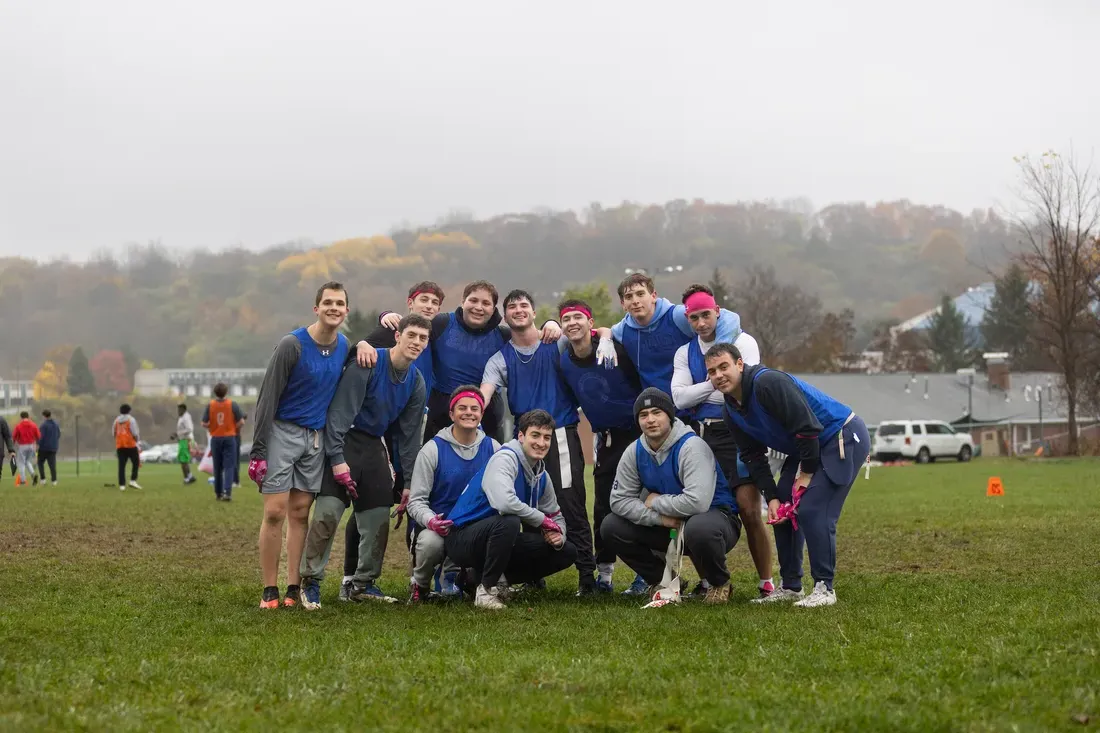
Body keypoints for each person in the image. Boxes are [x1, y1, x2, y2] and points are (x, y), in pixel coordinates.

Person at [705, 343, 871, 608]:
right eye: (712, 371)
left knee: (812, 509)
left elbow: (807, 428)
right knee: (782, 508)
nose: (719, 375)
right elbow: (752, 456)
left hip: (840, 435)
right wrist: (770, 497)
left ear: (739, 364)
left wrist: (805, 474)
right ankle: (791, 586)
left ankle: (824, 588)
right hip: (806, 446)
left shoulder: (768, 383)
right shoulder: (729, 409)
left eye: (724, 367)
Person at [298, 314, 429, 609]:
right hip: (344, 440)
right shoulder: (368, 362)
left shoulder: (416, 382)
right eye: (412, 335)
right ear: (398, 336)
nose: (416, 343)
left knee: (378, 518)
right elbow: (339, 415)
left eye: (423, 338)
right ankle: (311, 582)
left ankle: (362, 584)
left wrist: (409, 482)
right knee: (328, 514)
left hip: (373, 446)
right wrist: (336, 459)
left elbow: (409, 437)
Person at [480, 290, 596, 595]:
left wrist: (557, 325)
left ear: (533, 312)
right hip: (523, 442)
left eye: (524, 305)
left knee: (570, 502)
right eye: (512, 307)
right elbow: (485, 392)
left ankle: (588, 576)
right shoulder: (500, 358)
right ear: (505, 317)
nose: (518, 310)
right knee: (528, 506)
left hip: (558, 434)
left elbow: (589, 337)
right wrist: (471, 411)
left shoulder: (555, 343)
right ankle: (534, 577)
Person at [250, 281, 357, 610]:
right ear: (316, 308)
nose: (334, 308)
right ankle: (270, 588)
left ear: (346, 310)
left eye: (340, 303)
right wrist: (258, 451)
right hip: (283, 432)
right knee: (274, 512)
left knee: (300, 514)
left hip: (316, 438)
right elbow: (267, 396)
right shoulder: (292, 345)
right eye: (328, 302)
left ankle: (293, 586)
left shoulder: (344, 346)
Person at [341, 281, 444, 600]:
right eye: (422, 300)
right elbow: (355, 351)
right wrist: (361, 341)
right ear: (409, 303)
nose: (429, 306)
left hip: (420, 421)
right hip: (383, 431)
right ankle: (351, 576)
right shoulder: (390, 329)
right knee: (373, 503)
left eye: (435, 302)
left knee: (417, 494)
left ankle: (422, 574)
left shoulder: (437, 331)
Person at [670, 284, 774, 599]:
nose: (701, 323)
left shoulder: (743, 341)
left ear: (717, 311)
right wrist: (714, 382)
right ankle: (708, 581)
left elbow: (743, 385)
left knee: (748, 507)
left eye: (706, 315)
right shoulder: (685, 351)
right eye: (694, 318)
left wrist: (699, 389)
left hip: (739, 431)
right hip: (701, 435)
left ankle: (766, 581)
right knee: (699, 506)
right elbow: (679, 397)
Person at [376, 280, 561, 446]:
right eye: (473, 300)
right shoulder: (442, 323)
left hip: (487, 414)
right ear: (463, 302)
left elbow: (529, 336)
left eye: (486, 303)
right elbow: (411, 329)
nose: (478, 307)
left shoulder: (502, 335)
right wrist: (386, 316)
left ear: (494, 310)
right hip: (440, 414)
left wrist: (551, 324)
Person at [601, 388, 742, 604]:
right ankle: (665, 581)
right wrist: (660, 519)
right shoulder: (634, 451)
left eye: (657, 412)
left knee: (699, 527)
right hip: (669, 524)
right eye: (643, 415)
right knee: (611, 526)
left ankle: (719, 583)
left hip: (715, 521)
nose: (650, 420)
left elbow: (698, 502)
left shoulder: (692, 446)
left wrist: (656, 501)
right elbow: (619, 500)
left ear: (670, 415)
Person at [444, 409, 577, 610]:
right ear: (521, 436)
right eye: (535, 435)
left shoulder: (541, 474)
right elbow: (504, 503)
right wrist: (542, 520)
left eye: (547, 437)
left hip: (497, 537)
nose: (541, 443)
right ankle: (486, 591)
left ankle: (481, 579)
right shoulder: (505, 458)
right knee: (510, 521)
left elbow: (555, 514)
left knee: (566, 551)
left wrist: (559, 535)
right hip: (462, 537)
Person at [557, 298, 643, 593]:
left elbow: (640, 381)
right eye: (566, 319)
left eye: (579, 317)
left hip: (638, 433)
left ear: (591, 323)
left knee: (642, 502)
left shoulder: (614, 347)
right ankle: (604, 575)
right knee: (603, 506)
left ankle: (646, 573)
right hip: (606, 437)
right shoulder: (564, 358)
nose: (573, 323)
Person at [595, 272, 740, 413]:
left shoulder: (676, 316)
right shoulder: (623, 330)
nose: (635, 301)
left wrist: (717, 354)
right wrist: (605, 338)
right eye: (629, 297)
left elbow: (729, 317)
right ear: (623, 304)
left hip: (695, 405)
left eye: (640, 294)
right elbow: (592, 332)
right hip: (658, 412)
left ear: (653, 296)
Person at [405, 385, 500, 602]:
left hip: (472, 526)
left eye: (475, 408)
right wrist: (431, 521)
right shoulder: (432, 449)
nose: (469, 413)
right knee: (431, 544)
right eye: (462, 408)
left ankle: (463, 577)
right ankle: (420, 584)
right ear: (451, 413)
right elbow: (416, 500)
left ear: (481, 414)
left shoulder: (493, 448)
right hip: (438, 526)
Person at [203, 383, 245, 501]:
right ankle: (228, 492)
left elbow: (204, 423)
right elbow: (241, 421)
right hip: (229, 437)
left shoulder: (210, 405)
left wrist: (213, 427)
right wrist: (233, 427)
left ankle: (218, 493)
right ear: (226, 392)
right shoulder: (232, 404)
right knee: (229, 466)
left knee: (217, 466)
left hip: (216, 437)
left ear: (215, 392)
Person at [113, 404, 141, 491]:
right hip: (130, 445)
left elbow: (114, 433)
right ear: (129, 411)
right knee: (136, 462)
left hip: (120, 445)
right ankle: (133, 480)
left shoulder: (116, 421)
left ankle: (122, 485)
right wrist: (137, 441)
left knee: (121, 466)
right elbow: (135, 433)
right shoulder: (131, 420)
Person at [171, 403, 198, 485]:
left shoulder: (186, 418)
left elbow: (189, 429)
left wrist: (177, 433)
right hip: (183, 440)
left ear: (183, 409)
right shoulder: (182, 417)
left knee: (183, 460)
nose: (178, 411)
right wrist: (177, 434)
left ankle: (187, 479)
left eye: (179, 410)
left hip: (186, 440)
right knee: (183, 459)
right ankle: (190, 476)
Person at [12, 412, 40, 486]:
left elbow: (14, 436)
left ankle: (23, 480)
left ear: (21, 417)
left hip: (22, 445)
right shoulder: (33, 425)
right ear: (28, 416)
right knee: (27, 461)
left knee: (21, 463)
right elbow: (38, 435)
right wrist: (36, 444)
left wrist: (12, 446)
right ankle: (33, 474)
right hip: (31, 445)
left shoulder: (18, 426)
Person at [37, 409, 61, 485]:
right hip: (53, 448)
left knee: (40, 463)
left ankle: (43, 479)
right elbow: (59, 434)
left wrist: (38, 444)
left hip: (44, 448)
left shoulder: (43, 425)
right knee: (52, 465)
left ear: (44, 416)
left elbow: (40, 437)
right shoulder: (56, 424)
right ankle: (54, 481)